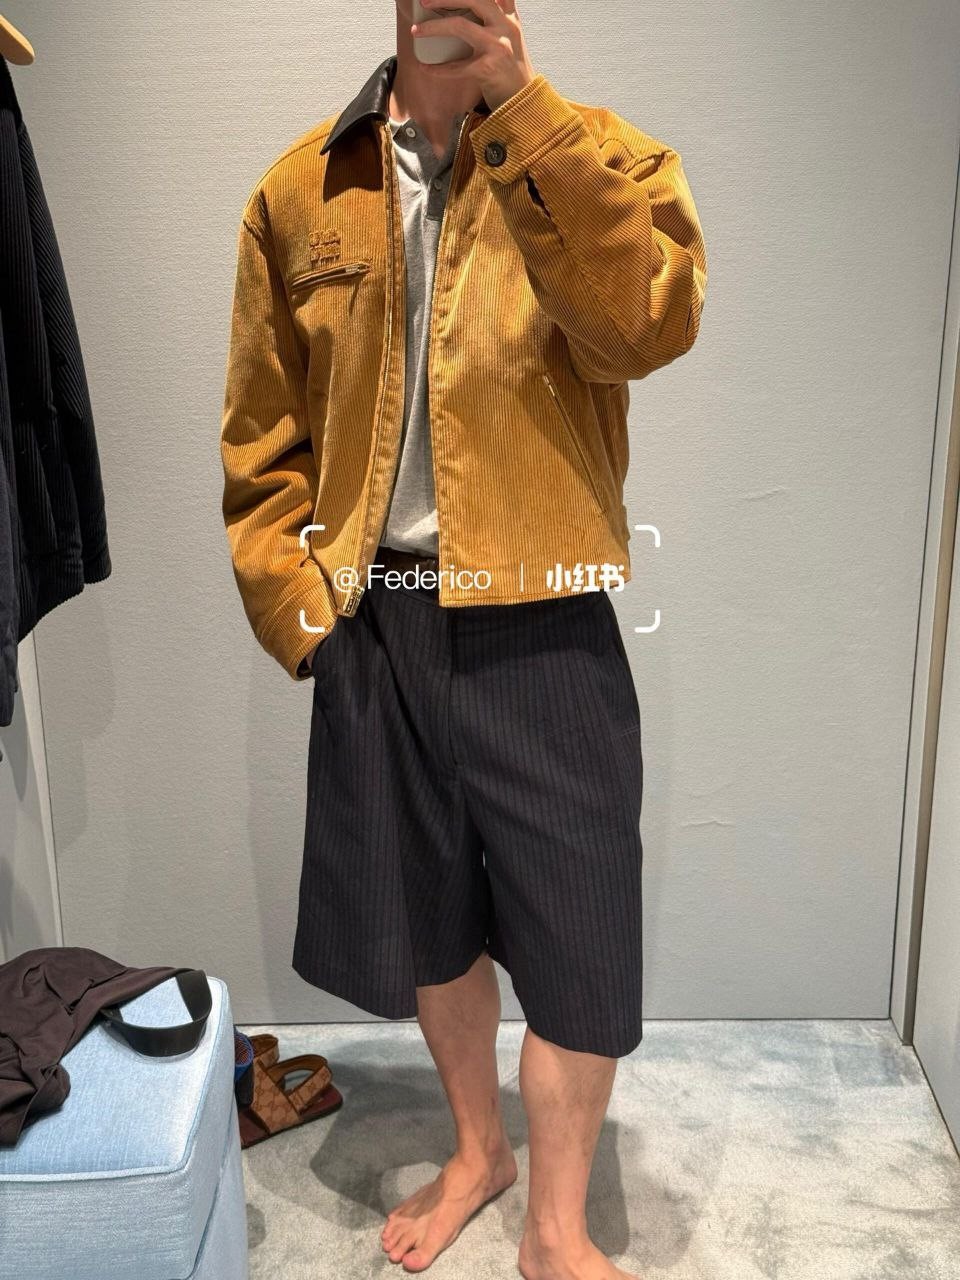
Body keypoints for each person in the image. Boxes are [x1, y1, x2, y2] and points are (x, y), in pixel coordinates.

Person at [220, 1, 707, 1276]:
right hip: (376, 620)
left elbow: (647, 329)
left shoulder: (604, 156)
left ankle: (556, 1228)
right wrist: (307, 620)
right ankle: (479, 1149)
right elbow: (262, 437)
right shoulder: (300, 190)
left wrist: (529, 126)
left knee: (582, 936)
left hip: (546, 613)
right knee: (429, 919)